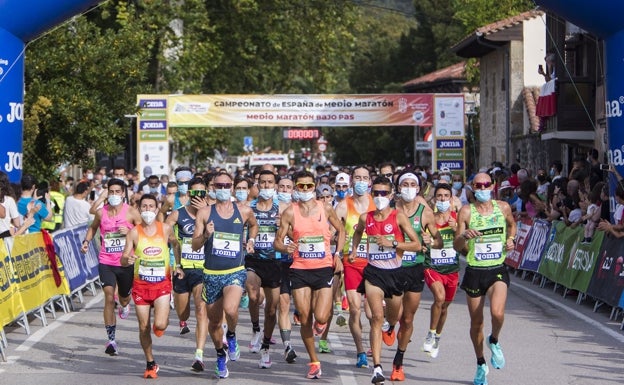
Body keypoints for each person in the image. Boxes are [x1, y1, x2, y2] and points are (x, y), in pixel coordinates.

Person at [350, 176, 422, 385]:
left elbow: (416, 245)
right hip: (374, 273)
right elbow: (357, 233)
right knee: (376, 317)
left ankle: (391, 328)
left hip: (395, 274)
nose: (380, 197)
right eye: (376, 194)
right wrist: (355, 249)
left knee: (393, 317)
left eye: (384, 194)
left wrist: (393, 244)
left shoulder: (398, 217)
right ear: (372, 195)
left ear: (391, 195)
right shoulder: (366, 217)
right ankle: (378, 368)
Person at [274, 170, 345, 380]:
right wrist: (284, 248)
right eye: (301, 186)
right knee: (304, 317)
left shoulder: (326, 208)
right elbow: (277, 240)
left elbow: (341, 230)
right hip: (300, 269)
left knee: (321, 316)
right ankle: (314, 362)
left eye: (309, 186)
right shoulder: (289, 212)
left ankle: (320, 326)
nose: (305, 190)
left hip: (323, 267)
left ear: (314, 186)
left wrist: (338, 254)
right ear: (296, 188)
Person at [191, 171, 258, 379]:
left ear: (232, 187)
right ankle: (220, 354)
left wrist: (251, 240)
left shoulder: (244, 211)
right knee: (213, 323)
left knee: (230, 310)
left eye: (226, 185)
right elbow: (194, 245)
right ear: (213, 188)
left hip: (234, 272)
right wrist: (206, 235)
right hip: (211, 274)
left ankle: (232, 335)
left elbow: (254, 225)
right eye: (218, 186)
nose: (222, 189)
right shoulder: (204, 213)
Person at [453, 173, 517, 385]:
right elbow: (456, 246)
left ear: (493, 186)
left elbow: (512, 226)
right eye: (478, 185)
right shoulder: (466, 211)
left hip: (497, 268)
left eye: (486, 184)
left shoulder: (503, 207)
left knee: (497, 313)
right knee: (477, 322)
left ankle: (494, 340)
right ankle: (480, 363)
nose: (482, 188)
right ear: (472, 187)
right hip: (475, 270)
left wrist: (511, 240)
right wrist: (464, 237)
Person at [119, 193, 180, 379]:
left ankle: (159, 326)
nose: (147, 210)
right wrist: (127, 259)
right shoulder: (134, 232)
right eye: (143, 207)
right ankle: (150, 363)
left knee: (160, 324)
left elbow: (176, 245)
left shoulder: (166, 229)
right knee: (143, 326)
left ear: (156, 208)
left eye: (150, 206)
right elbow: (123, 258)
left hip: (161, 284)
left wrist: (178, 265)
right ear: (139, 209)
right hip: (140, 285)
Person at [80, 178, 142, 356]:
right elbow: (93, 228)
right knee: (108, 296)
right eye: (111, 192)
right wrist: (86, 241)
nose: (114, 195)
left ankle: (124, 302)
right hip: (106, 261)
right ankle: (111, 340)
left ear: (123, 193)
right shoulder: (101, 212)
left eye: (118, 192)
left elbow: (144, 234)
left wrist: (130, 231)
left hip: (125, 261)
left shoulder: (131, 212)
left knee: (123, 298)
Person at [391, 171, 442, 381]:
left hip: (415, 268)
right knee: (394, 314)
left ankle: (398, 362)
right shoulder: (390, 210)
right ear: (398, 188)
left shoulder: (425, 212)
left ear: (419, 188)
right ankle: (389, 325)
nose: (409, 188)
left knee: (408, 318)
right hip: (392, 267)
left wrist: (432, 242)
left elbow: (439, 241)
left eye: (413, 184)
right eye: (405, 184)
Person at [164, 177, 210, 371]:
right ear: (188, 194)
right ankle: (183, 319)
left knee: (201, 310)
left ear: (205, 194)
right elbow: (164, 232)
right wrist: (173, 240)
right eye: (194, 193)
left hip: (203, 269)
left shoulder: (212, 213)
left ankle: (199, 355)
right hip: (182, 269)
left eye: (202, 193)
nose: (198, 197)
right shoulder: (177, 214)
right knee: (183, 312)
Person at [334, 166, 375, 369]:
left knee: (372, 313)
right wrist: (337, 255)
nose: (360, 181)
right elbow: (334, 233)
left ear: (369, 181)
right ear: (352, 181)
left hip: (375, 263)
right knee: (355, 310)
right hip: (352, 263)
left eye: (364, 177)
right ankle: (360, 352)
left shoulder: (378, 204)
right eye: (357, 177)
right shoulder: (343, 206)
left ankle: (378, 337)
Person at [243, 170, 283, 369]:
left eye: (270, 182)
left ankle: (266, 348)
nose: (266, 186)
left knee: (272, 310)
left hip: (274, 262)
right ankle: (255, 328)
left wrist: (283, 226)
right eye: (263, 182)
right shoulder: (248, 208)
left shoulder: (281, 208)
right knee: (252, 293)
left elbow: (293, 234)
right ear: (257, 185)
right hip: (253, 259)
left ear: (275, 185)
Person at [422, 183, 460, 360]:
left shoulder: (457, 218)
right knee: (439, 297)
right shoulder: (430, 219)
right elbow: (421, 239)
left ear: (451, 199)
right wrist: (426, 240)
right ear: (435, 199)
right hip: (432, 267)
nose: (443, 199)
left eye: (446, 196)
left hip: (451, 269)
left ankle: (437, 336)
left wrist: (457, 229)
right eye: (440, 196)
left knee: (444, 307)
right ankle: (430, 332)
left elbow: (466, 243)